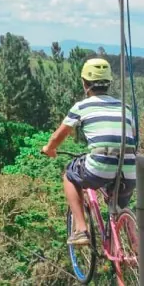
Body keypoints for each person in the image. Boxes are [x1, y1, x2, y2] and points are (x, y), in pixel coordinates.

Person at [42, 58, 136, 246]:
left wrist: (49, 149)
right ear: (109, 83)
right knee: (121, 207)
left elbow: (58, 136)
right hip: (129, 170)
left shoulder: (82, 107)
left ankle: (81, 230)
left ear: (84, 83)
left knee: (69, 175)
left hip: (99, 167)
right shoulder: (125, 108)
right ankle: (136, 247)